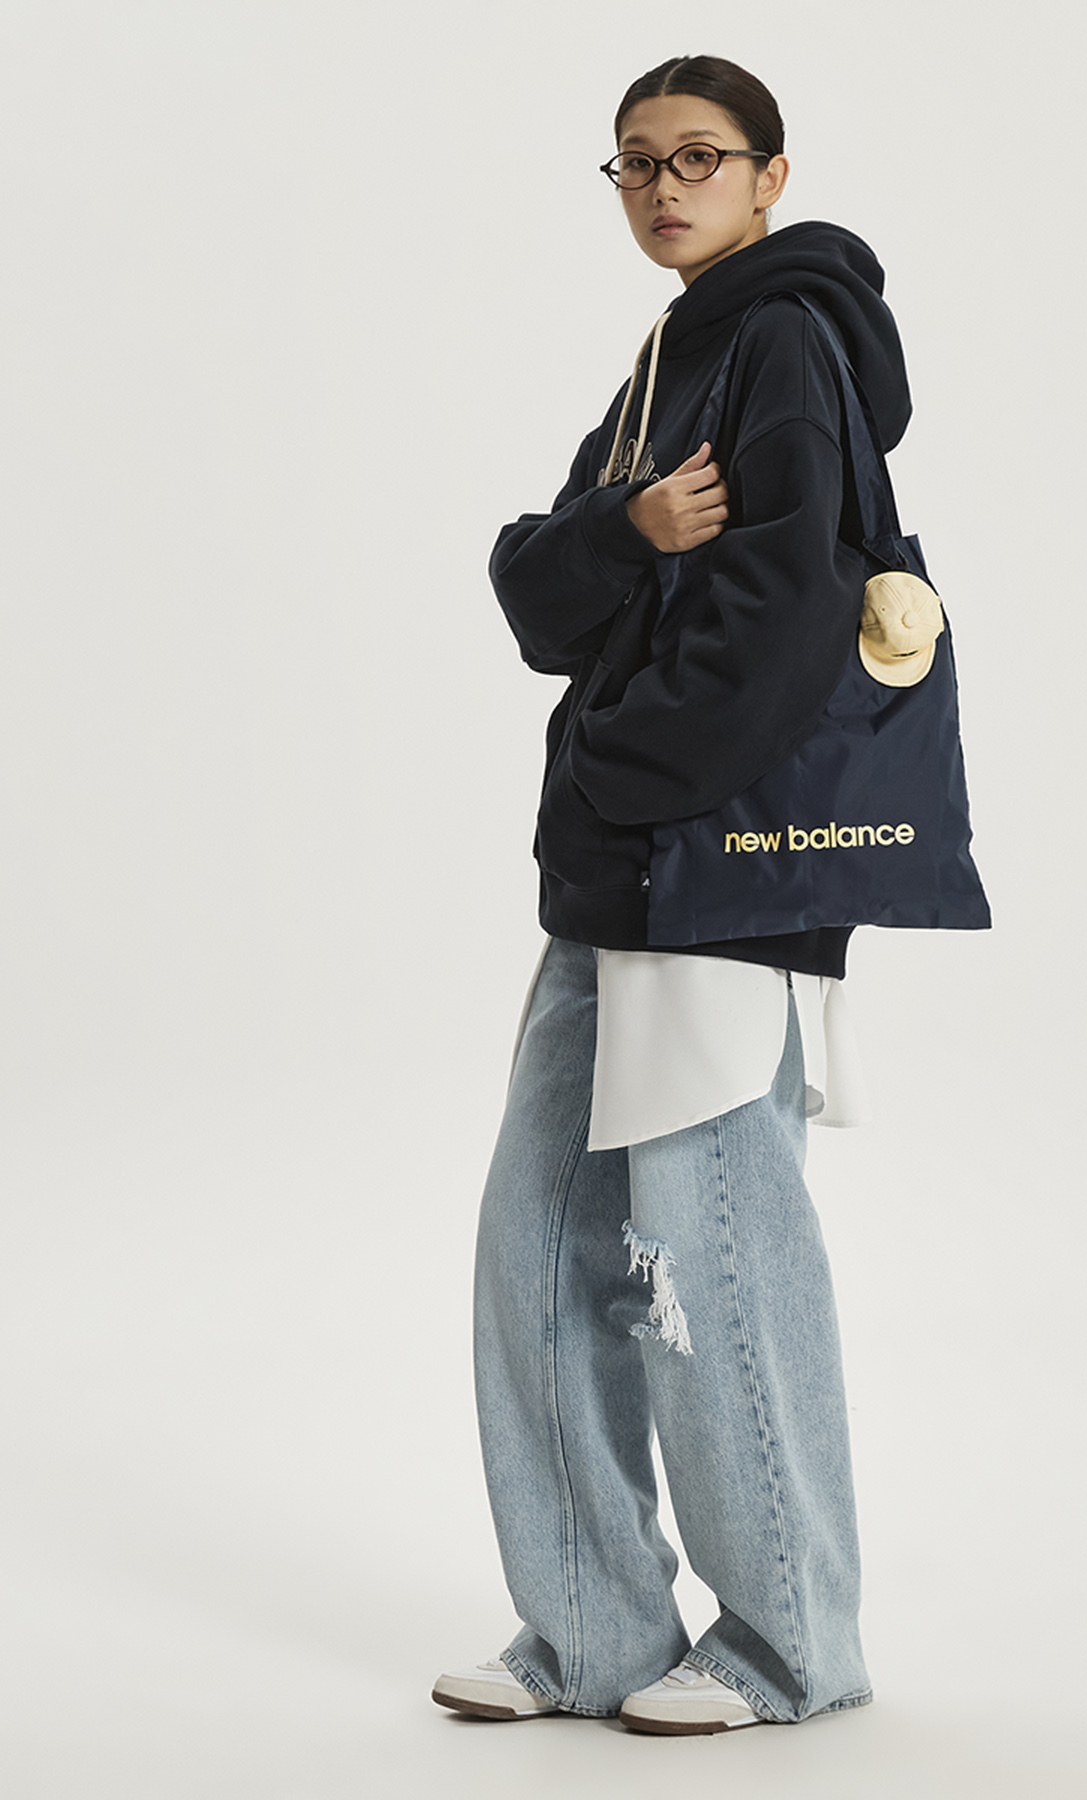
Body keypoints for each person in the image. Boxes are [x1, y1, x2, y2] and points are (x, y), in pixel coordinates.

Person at [431, 53, 921, 1735]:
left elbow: (788, 616)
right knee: (541, 1243)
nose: (660, 186)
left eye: (697, 156)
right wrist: (629, 533)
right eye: (633, 161)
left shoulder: (786, 341)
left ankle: (791, 1646)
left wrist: (620, 763)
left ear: (771, 175)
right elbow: (535, 595)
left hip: (712, 870)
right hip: (613, 875)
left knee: (713, 1252)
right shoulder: (665, 355)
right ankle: (592, 1629)